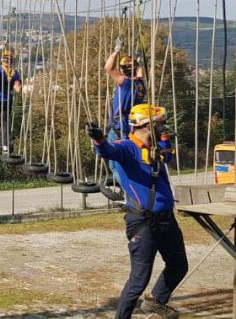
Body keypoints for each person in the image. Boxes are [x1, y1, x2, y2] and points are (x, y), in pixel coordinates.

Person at [86, 104, 188, 319]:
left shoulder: (157, 145)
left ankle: (157, 301)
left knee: (179, 265)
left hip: (166, 219)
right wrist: (99, 138)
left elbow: (167, 157)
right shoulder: (127, 147)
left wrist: (162, 140)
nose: (164, 127)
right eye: (160, 124)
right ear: (146, 125)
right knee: (138, 280)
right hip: (142, 221)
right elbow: (107, 151)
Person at [104, 37, 146, 192]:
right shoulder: (140, 84)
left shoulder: (126, 84)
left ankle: (130, 190)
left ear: (123, 71)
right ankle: (132, 190)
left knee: (114, 165)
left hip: (119, 127)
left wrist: (116, 51)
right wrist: (137, 60)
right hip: (131, 127)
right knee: (128, 160)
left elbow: (108, 68)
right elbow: (139, 72)